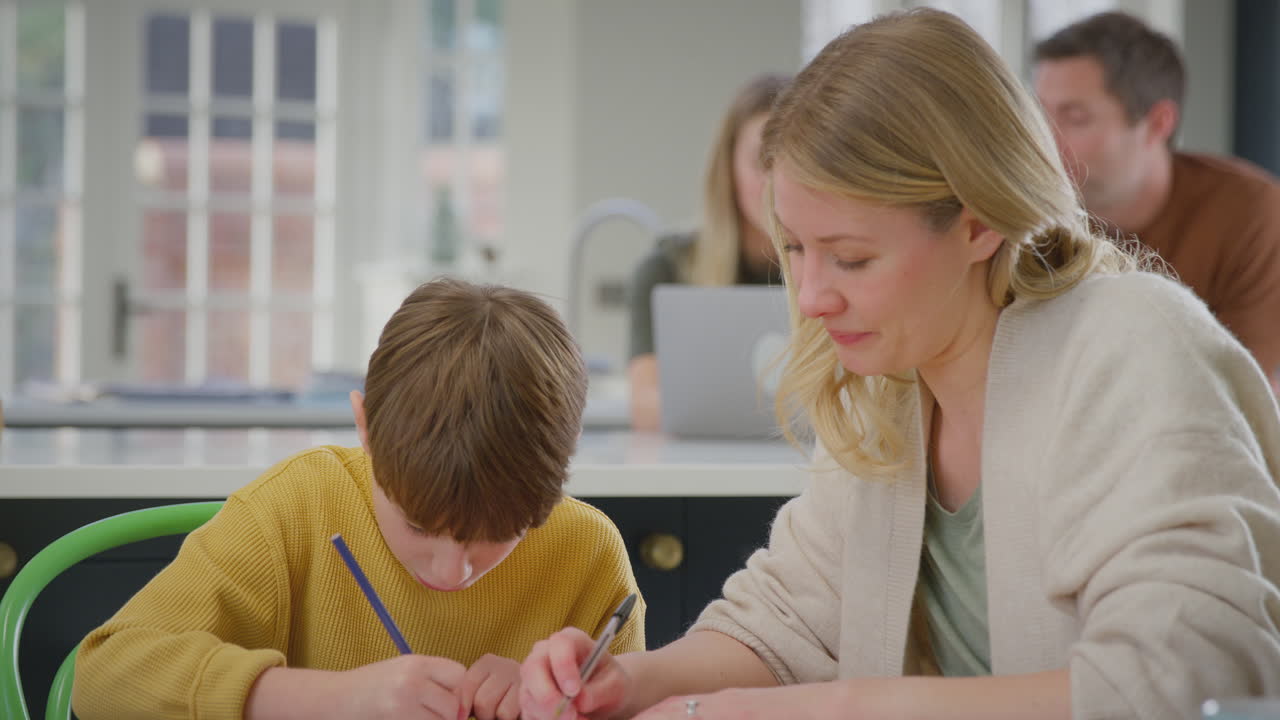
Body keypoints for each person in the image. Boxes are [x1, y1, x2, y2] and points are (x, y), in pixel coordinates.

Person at [518, 8, 1280, 720]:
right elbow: (784, 624)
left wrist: (829, 708)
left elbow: (1183, 680)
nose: (811, 298)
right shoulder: (890, 386)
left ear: (978, 222)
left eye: (851, 258)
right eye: (794, 250)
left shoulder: (1134, 345)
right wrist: (628, 680)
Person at [72, 278, 645, 720]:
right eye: (419, 526)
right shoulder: (297, 510)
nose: (453, 572)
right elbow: (102, 677)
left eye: (498, 534)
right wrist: (332, 697)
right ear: (365, 428)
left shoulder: (587, 554)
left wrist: (559, 703)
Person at [1033, 11, 1280, 389]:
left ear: (1158, 123)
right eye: (1038, 114)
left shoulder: (1250, 211)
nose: (1043, 139)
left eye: (1075, 117)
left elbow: (1245, 396)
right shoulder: (1024, 216)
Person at [627, 73, 790, 430]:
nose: (775, 182)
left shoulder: (835, 272)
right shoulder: (665, 269)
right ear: (727, 168)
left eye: (792, 161)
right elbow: (645, 405)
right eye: (761, 161)